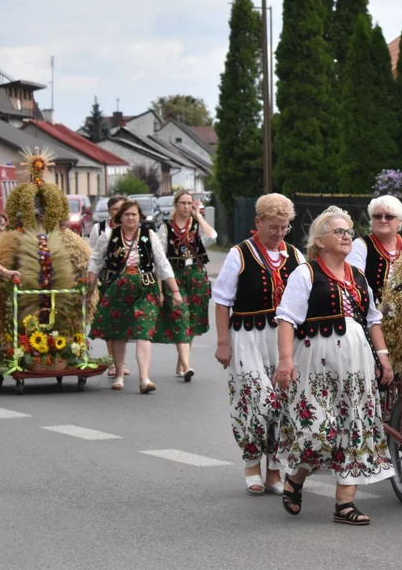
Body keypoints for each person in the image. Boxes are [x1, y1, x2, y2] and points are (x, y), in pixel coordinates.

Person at [274, 207, 395, 525]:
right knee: (318, 430)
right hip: (316, 361)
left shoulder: (358, 277)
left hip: (357, 363)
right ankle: (296, 478)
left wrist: (383, 358)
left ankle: (344, 503)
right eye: (339, 232)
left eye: (348, 232)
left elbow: (373, 319)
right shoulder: (306, 274)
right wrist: (286, 361)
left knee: (354, 427)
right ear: (319, 240)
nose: (346, 237)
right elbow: (287, 319)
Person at [212, 193, 304, 495]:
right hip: (247, 338)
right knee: (257, 401)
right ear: (258, 223)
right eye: (273, 227)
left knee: (283, 405)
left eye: (284, 227)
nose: (278, 233)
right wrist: (223, 342)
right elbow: (222, 301)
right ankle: (252, 463)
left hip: (283, 340)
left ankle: (274, 470)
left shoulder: (295, 256)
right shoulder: (240, 254)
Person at [86, 199, 182, 394]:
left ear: (140, 217)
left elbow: (162, 263)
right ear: (120, 217)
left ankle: (144, 378)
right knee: (119, 333)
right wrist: (89, 290)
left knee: (144, 332)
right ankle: (119, 374)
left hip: (145, 288)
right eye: (127, 215)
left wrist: (175, 290)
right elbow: (95, 262)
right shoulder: (109, 236)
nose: (131, 218)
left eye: (134, 215)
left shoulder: (149, 235)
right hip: (118, 289)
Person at [156, 190, 217, 381]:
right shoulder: (165, 228)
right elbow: (159, 259)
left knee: (191, 320)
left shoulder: (196, 225)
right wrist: (159, 288)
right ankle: (187, 366)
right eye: (183, 203)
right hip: (175, 276)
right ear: (176, 204)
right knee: (180, 316)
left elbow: (212, 236)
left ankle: (181, 362)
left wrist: (199, 216)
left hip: (196, 276)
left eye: (190, 203)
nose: (186, 207)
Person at [345, 195, 402, 305]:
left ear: (399, 221)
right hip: (371, 312)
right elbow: (354, 284)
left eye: (389, 217)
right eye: (377, 216)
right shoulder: (361, 245)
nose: (383, 220)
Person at [89, 194, 129, 377]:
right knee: (110, 319)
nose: (119, 213)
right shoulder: (100, 228)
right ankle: (114, 361)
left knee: (123, 321)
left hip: (128, 280)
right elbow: (92, 255)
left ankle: (120, 360)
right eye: (115, 210)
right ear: (109, 211)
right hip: (107, 279)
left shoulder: (133, 229)